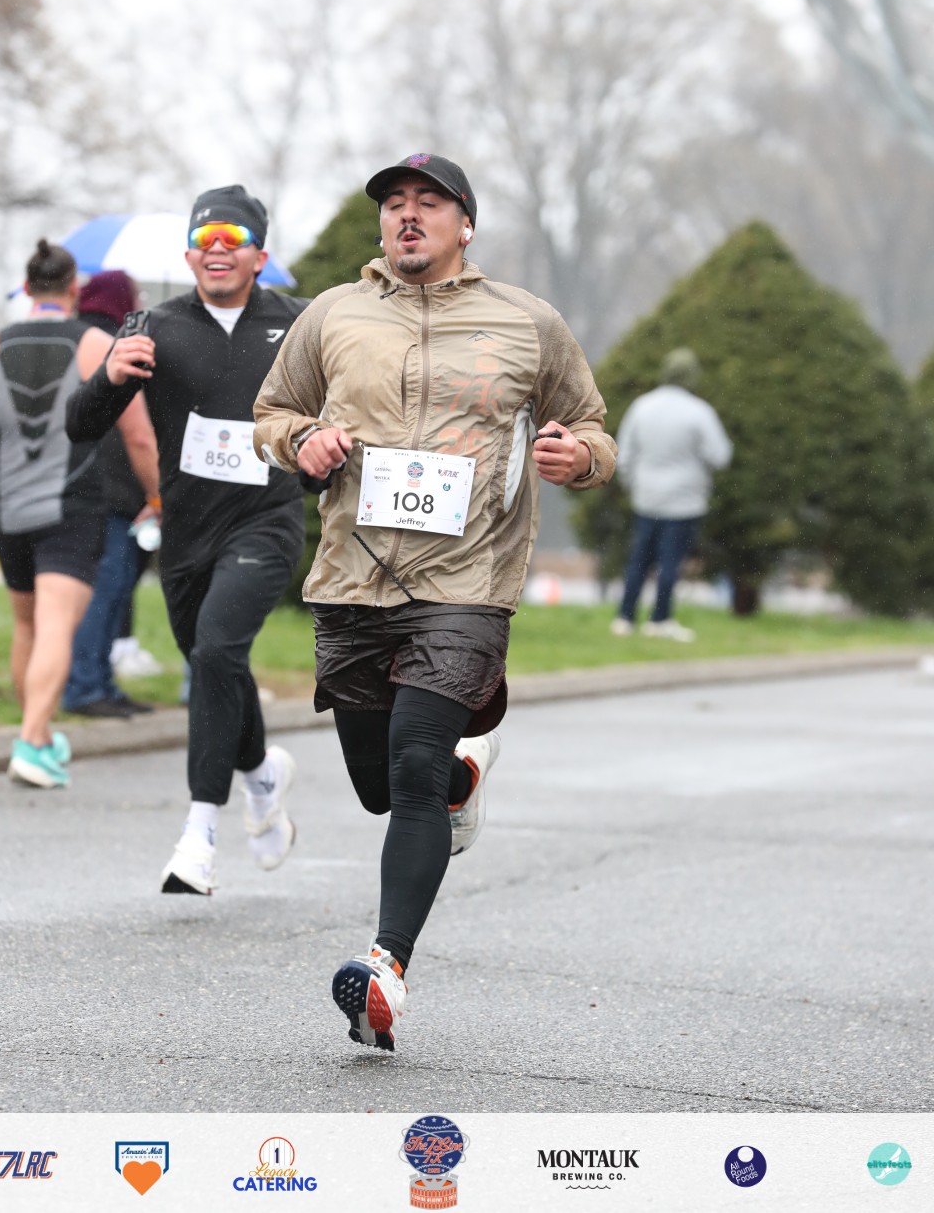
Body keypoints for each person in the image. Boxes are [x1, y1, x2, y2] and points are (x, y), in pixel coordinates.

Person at [252, 151, 617, 1052]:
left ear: (465, 224)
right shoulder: (332, 314)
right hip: (353, 575)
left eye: (429, 202)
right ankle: (463, 779)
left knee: (413, 765)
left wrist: (581, 457)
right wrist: (302, 441)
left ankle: (385, 970)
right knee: (381, 787)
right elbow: (272, 414)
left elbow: (593, 428)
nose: (407, 215)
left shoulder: (527, 321)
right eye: (394, 204)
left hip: (467, 581)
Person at [66, 186, 307, 895]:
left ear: (260, 255)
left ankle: (198, 835)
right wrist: (109, 377)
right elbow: (81, 424)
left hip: (265, 520)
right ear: (189, 256)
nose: (218, 250)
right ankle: (262, 778)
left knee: (218, 651)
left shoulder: (300, 325)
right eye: (206, 240)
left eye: (233, 239)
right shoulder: (153, 327)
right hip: (187, 533)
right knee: (213, 660)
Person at [0, 240, 159, 788]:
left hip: (11, 508)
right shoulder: (95, 344)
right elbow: (138, 436)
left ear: (26, 285)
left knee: (27, 626)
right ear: (73, 290)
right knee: (57, 625)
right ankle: (31, 741)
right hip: (72, 507)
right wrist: (159, 497)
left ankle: (36, 739)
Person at [62, 270, 159, 719]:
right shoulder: (113, 346)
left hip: (70, 485)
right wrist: (157, 496)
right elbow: (136, 434)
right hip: (111, 492)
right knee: (106, 590)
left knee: (107, 590)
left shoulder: (71, 339)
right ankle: (85, 687)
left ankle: (101, 683)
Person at [610, 347, 732, 643]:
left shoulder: (642, 406)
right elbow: (720, 455)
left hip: (646, 496)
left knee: (639, 560)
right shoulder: (699, 412)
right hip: (684, 500)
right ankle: (660, 619)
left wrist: (633, 484)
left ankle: (625, 617)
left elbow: (624, 453)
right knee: (670, 562)